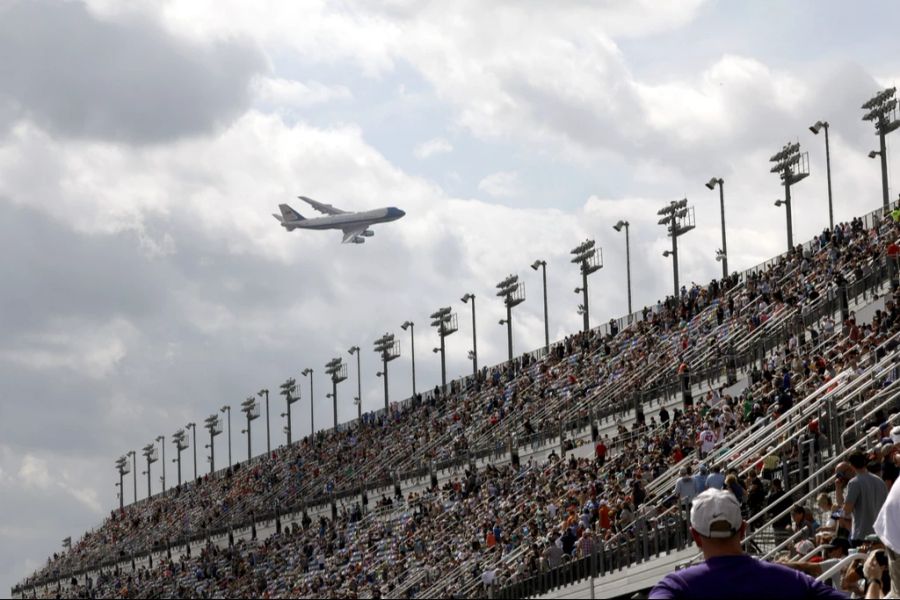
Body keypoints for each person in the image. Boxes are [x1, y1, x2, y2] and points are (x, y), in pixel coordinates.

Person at [649, 489, 848, 599]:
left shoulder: (674, 587)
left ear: (696, 536)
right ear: (743, 529)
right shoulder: (794, 581)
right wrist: (873, 580)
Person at [836, 451, 888, 546]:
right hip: (880, 534)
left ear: (851, 466)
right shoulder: (880, 481)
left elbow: (846, 510)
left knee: (860, 559)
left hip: (862, 536)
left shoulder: (854, 482)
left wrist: (836, 512)